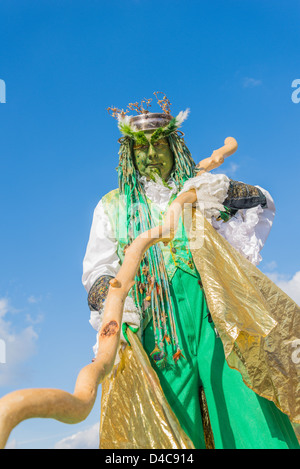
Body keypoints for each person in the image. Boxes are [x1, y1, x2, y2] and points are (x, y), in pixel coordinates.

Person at [82, 93, 300, 449]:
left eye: (159, 145)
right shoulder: (111, 205)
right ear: (129, 155)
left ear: (174, 147)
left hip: (216, 316)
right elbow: (98, 270)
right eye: (141, 149)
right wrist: (116, 308)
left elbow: (261, 202)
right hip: (155, 325)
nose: (151, 156)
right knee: (167, 429)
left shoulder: (198, 189)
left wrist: (222, 190)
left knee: (251, 415)